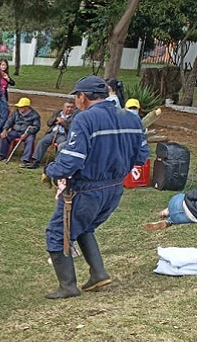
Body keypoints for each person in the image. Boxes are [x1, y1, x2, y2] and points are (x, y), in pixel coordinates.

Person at [42, 76, 149, 299]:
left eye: (76, 96)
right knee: (84, 227)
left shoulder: (84, 119)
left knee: (57, 233)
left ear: (83, 97)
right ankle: (98, 273)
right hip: (115, 189)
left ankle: (68, 286)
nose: (75, 100)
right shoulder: (132, 118)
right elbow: (141, 158)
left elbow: (72, 161)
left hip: (85, 189)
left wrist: (50, 170)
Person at [26, 98, 77, 169]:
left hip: (63, 134)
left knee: (61, 144)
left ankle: (57, 163)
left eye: (71, 107)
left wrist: (63, 122)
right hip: (52, 132)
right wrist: (55, 120)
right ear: (64, 107)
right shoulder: (58, 113)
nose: (69, 109)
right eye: (67, 107)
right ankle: (35, 161)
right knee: (42, 142)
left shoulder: (75, 116)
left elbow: (71, 128)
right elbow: (49, 123)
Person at [0, 97, 41, 164]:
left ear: (26, 107)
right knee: (5, 136)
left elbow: (36, 127)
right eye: (19, 107)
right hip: (15, 131)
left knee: (30, 140)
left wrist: (28, 133)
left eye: (21, 107)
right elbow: (9, 121)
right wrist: (5, 129)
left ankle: (25, 159)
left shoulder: (34, 115)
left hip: (27, 133)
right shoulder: (16, 112)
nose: (19, 108)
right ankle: (1, 155)